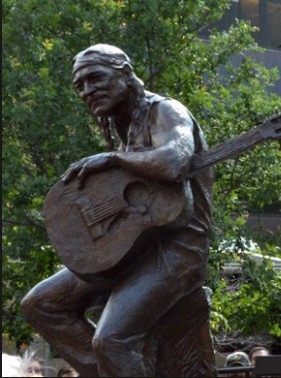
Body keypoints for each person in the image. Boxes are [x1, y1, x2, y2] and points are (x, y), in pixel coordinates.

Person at [20, 44, 215, 376]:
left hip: (177, 251)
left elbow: (174, 160)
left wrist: (111, 159)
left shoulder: (166, 111)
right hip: (129, 248)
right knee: (41, 305)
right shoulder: (121, 125)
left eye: (96, 78)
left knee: (111, 340)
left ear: (126, 73)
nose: (87, 91)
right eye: (79, 85)